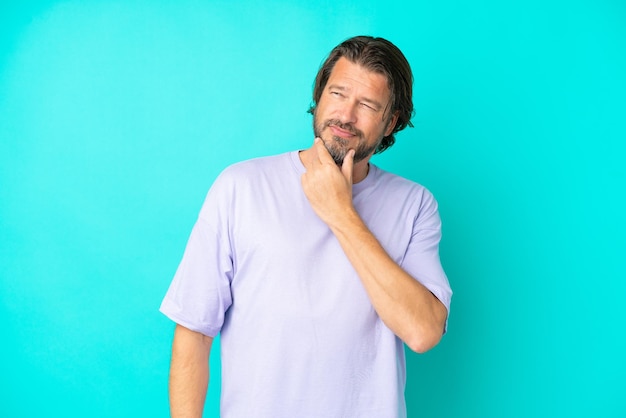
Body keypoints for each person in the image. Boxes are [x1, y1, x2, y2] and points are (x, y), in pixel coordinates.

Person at [160, 35, 452, 418]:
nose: (346, 115)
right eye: (337, 93)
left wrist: (341, 214)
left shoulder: (415, 205)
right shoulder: (241, 186)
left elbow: (423, 332)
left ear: (391, 121)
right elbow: (194, 332)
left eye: (366, 104)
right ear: (319, 95)